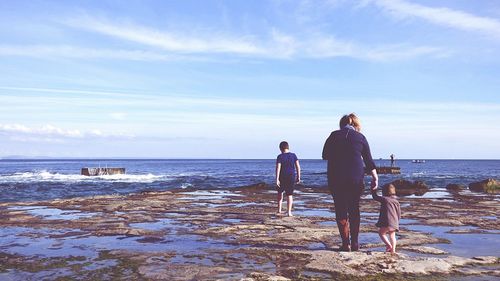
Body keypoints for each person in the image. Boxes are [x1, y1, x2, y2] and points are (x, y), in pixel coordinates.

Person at [322, 113, 378, 251]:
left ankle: (345, 244)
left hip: (336, 177)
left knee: (340, 209)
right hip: (356, 177)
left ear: (342, 124)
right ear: (357, 125)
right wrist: (375, 177)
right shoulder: (361, 137)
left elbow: (325, 155)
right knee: (354, 209)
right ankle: (355, 243)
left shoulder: (334, 135)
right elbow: (368, 160)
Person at [371, 183, 401, 253]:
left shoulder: (384, 199)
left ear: (384, 192)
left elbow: (375, 197)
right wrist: (397, 220)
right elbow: (399, 213)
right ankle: (393, 250)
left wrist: (373, 189)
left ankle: (388, 245)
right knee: (392, 236)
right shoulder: (396, 201)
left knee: (381, 233)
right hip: (394, 222)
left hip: (387, 221)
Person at [275, 141, 301, 217]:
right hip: (291, 176)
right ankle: (289, 212)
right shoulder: (293, 155)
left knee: (280, 193)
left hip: (282, 176)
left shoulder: (280, 156)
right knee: (289, 194)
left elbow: (278, 168)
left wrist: (277, 179)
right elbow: (298, 167)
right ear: (288, 147)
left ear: (280, 148)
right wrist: (298, 176)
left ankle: (279, 210)